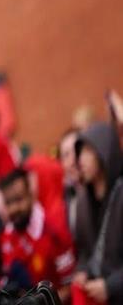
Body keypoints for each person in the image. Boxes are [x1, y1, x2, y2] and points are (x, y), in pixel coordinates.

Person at [0, 168, 75, 302]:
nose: (13, 208)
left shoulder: (53, 232)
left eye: (19, 199)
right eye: (8, 203)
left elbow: (70, 286)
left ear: (31, 195)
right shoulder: (6, 235)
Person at [72, 121, 123, 304]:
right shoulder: (82, 202)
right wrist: (83, 271)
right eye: (79, 153)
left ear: (104, 151)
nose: (80, 160)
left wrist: (111, 286)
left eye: (87, 151)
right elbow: (85, 252)